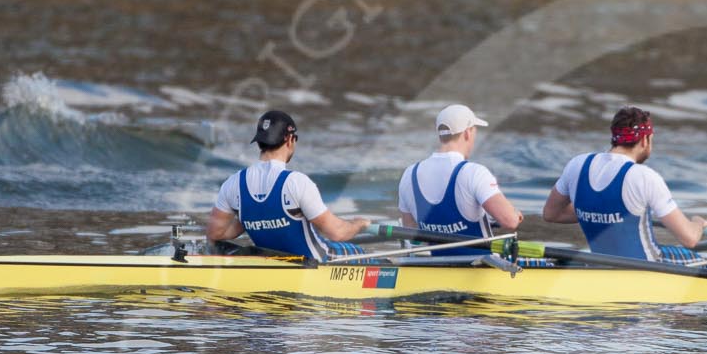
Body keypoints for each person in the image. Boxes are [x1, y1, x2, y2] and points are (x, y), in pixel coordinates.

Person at [542, 106, 707, 262]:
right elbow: (690, 239)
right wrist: (698, 224)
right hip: (648, 267)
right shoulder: (644, 176)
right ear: (645, 140)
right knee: (702, 261)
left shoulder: (577, 164)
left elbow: (551, 214)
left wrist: (597, 212)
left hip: (602, 264)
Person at [206, 110, 370, 259]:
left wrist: (253, 217)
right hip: (318, 262)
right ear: (289, 139)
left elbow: (215, 233)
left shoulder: (232, 184)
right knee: (365, 255)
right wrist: (358, 224)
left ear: (259, 142)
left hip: (273, 263)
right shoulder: (296, 182)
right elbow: (337, 233)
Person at [397, 103, 522, 257]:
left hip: (437, 266)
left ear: (440, 135)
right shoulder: (474, 173)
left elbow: (412, 234)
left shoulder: (409, 175)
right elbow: (510, 222)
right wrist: (514, 213)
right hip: (479, 269)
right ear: (468, 133)